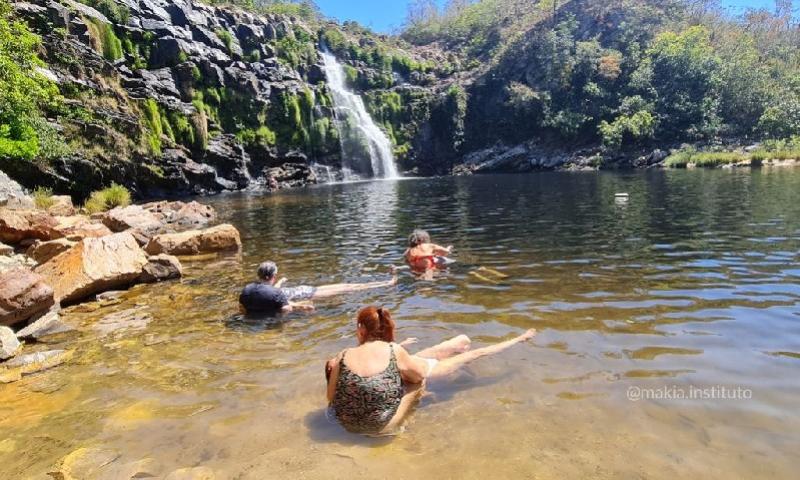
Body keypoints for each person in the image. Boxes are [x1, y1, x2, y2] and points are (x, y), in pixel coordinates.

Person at [325, 306, 537, 435]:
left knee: (440, 350)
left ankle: (459, 346)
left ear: (361, 330)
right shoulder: (393, 350)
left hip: (347, 425)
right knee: (469, 352)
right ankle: (520, 338)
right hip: (383, 426)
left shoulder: (343, 355)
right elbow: (419, 376)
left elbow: (330, 397)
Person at [239, 261, 397, 314]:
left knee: (348, 287)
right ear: (272, 276)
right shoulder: (275, 294)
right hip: (305, 293)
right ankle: (387, 283)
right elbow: (287, 308)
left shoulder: (248, 289)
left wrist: (281, 282)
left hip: (303, 292)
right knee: (348, 287)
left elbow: (273, 292)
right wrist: (302, 307)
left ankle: (386, 283)